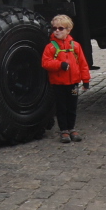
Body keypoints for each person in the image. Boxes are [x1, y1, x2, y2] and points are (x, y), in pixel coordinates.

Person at [41, 14, 89, 144]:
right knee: (61, 107)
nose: (57, 31)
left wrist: (85, 80)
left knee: (72, 106)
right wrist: (59, 65)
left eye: (60, 28)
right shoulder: (50, 47)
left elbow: (83, 64)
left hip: (73, 84)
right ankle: (64, 130)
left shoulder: (75, 46)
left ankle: (72, 128)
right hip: (59, 84)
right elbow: (45, 63)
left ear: (68, 30)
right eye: (54, 28)